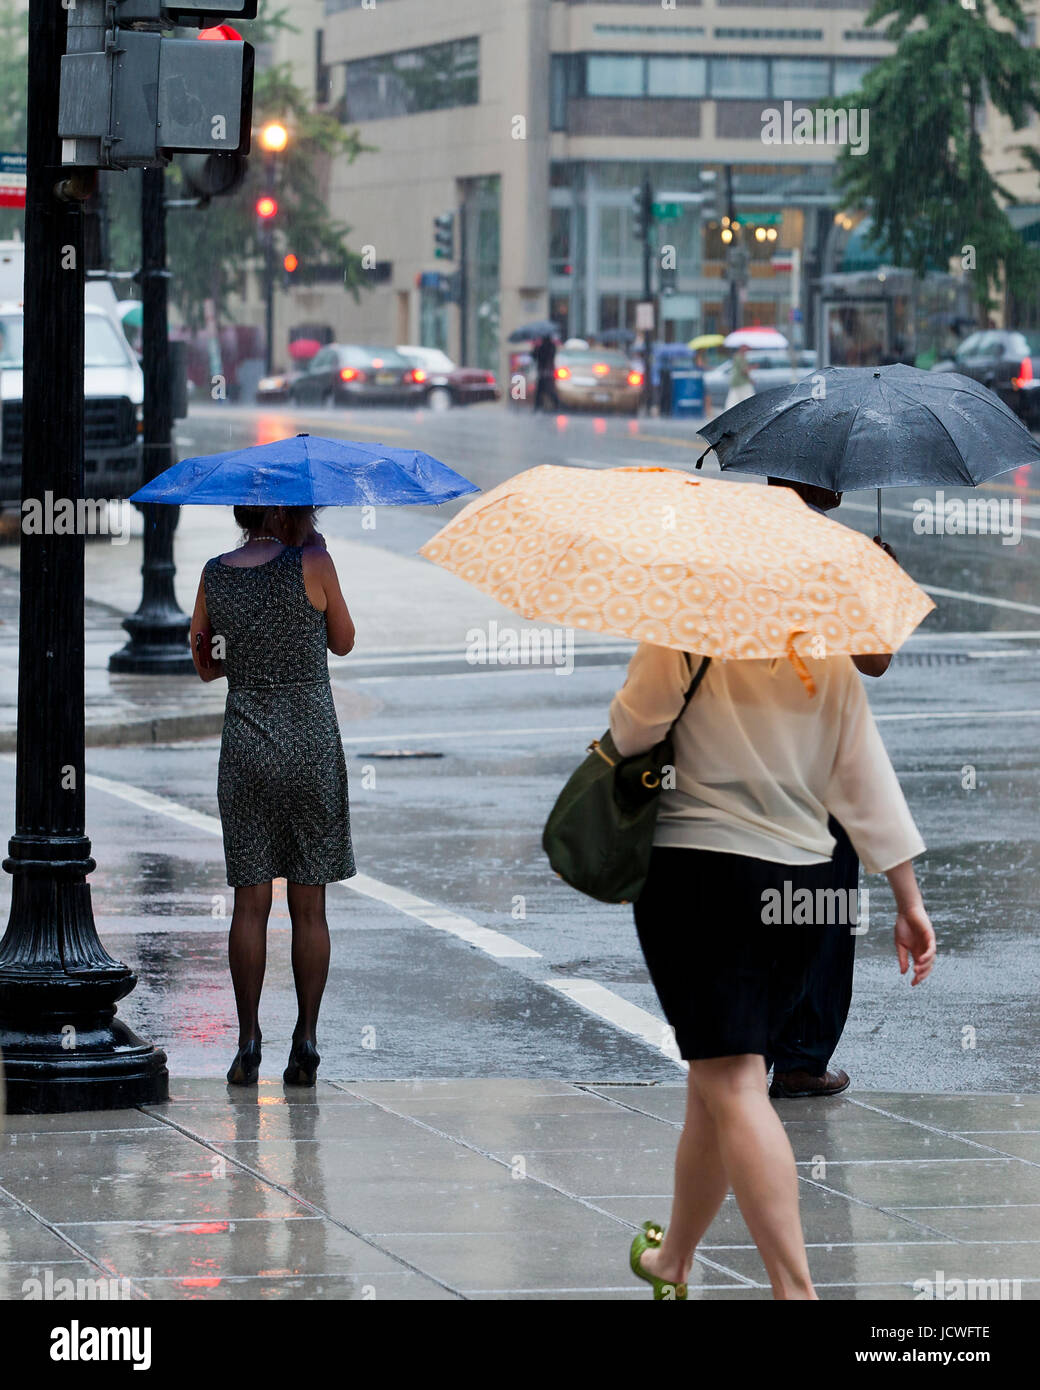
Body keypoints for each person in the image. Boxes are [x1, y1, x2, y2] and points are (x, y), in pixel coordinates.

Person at [613, 644, 935, 1299]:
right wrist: (909, 899)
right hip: (808, 886)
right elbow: (863, 772)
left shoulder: (683, 621)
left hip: (701, 876)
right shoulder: (820, 635)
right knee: (726, 1075)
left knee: (731, 1080)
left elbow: (632, 732)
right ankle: (673, 1260)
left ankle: (795, 1292)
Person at [190, 505, 356, 1089]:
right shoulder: (313, 562)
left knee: (250, 904)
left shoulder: (215, 573)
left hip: (247, 749)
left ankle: (247, 1042)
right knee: (309, 908)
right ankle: (306, 1039)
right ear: (295, 512)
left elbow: (207, 663)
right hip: (310, 744)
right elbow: (344, 642)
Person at [766, 477, 894, 1099]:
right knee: (821, 907)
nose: (844, 483)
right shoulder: (836, 554)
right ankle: (800, 1059)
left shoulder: (733, 546)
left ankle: (743, 1046)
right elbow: (873, 659)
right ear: (812, 480)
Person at [532, 334, 558, 413]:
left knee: (546, 390)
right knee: (543, 390)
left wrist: (536, 348)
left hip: (546, 371)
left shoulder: (547, 347)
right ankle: (539, 406)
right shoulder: (550, 347)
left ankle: (540, 406)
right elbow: (535, 356)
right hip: (546, 372)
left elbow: (536, 356)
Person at [724, 345, 754, 410]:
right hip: (741, 381)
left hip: (736, 380)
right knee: (747, 395)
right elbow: (744, 370)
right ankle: (750, 408)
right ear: (741, 348)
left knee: (734, 397)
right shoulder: (740, 357)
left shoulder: (737, 356)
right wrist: (752, 368)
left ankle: (731, 409)